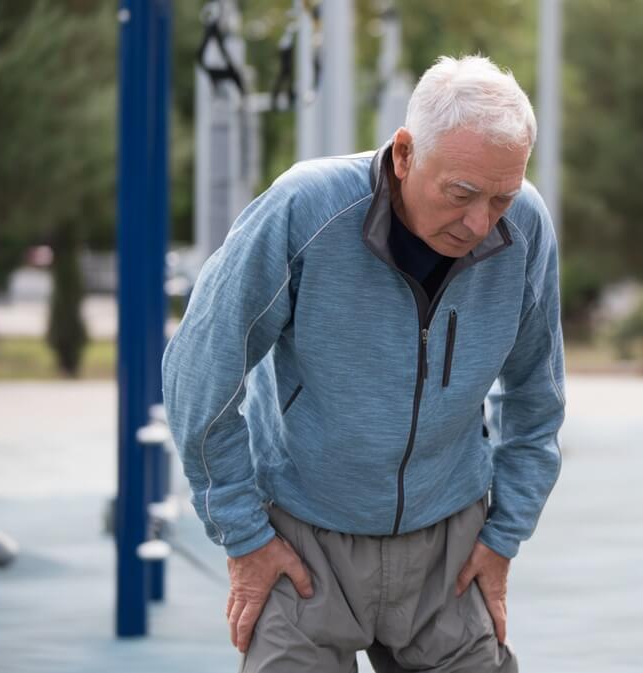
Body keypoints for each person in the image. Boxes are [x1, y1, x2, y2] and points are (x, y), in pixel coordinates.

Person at [162, 55, 565, 673]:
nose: (480, 223)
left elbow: (537, 399)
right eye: (461, 194)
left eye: (501, 198)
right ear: (404, 154)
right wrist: (244, 535)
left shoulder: (526, 228)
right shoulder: (304, 209)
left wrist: (504, 535)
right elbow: (200, 373)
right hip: (303, 537)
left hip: (448, 546)